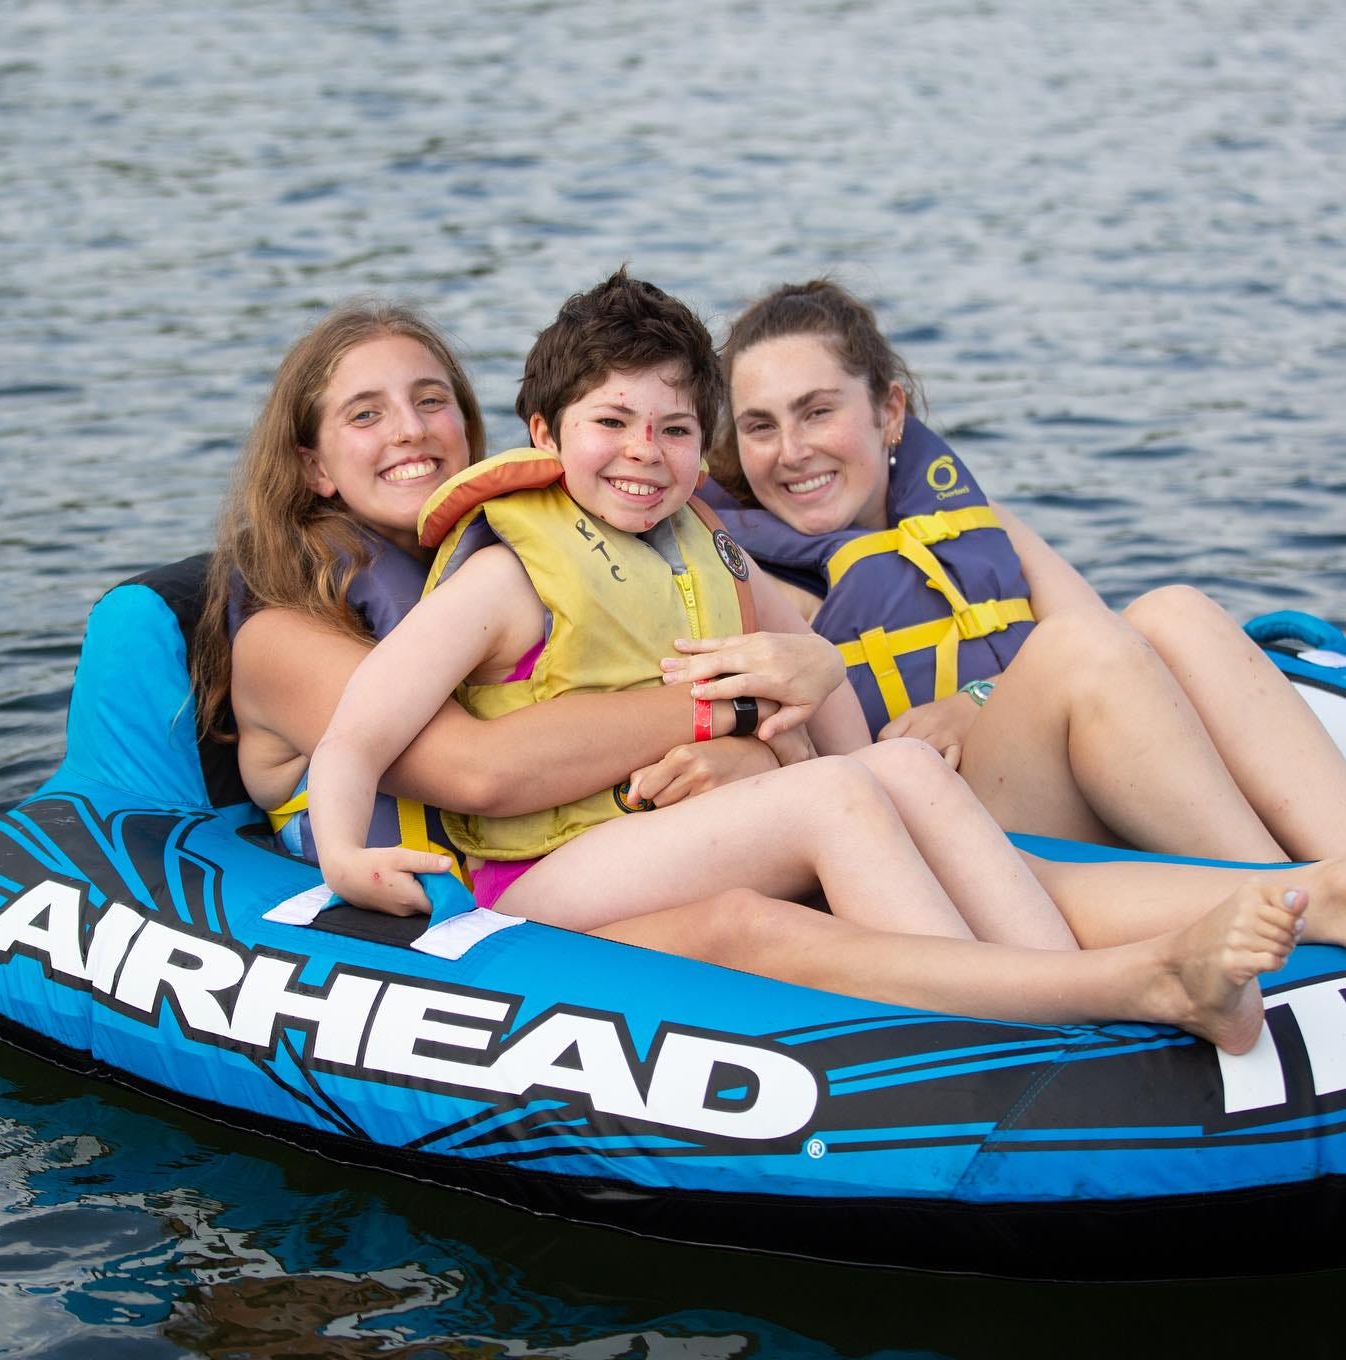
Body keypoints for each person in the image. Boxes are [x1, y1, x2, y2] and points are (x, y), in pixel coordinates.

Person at [302, 272, 1328, 1055]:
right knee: (836, 799)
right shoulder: (507, 574)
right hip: (533, 874)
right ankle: (1027, 1038)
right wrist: (344, 856)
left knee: (905, 769)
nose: (641, 453)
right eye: (609, 424)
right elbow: (363, 726)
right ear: (543, 433)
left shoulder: (710, 553)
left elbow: (858, 753)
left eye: (670, 430)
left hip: (652, 838)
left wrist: (819, 682)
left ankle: (1070, 999)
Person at [702, 277, 1346, 863]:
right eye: (761, 426)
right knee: (1080, 648)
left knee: (1173, 611)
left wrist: (977, 702)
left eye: (818, 411)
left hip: (1046, 773)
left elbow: (1115, 638)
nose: (792, 452)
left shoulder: (971, 519)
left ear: (890, 412)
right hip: (951, 831)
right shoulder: (753, 576)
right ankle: (1284, 888)